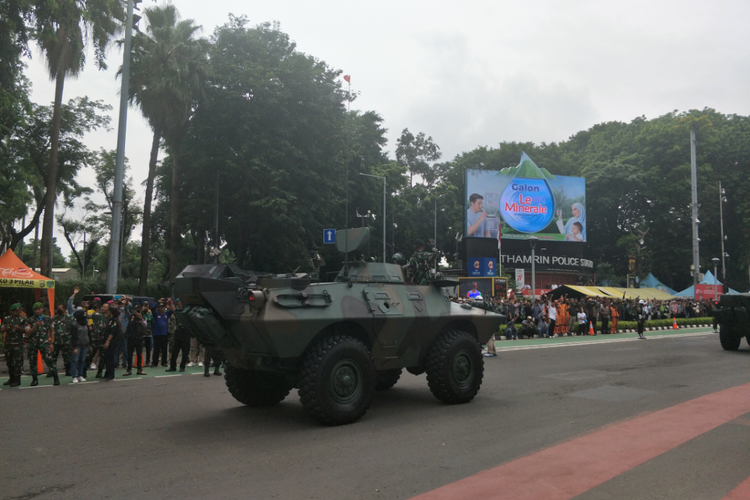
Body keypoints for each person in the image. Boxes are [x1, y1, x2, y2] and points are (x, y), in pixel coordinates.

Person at [25, 302, 59, 386]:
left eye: (39, 309)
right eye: (36, 309)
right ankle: (34, 379)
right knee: (33, 362)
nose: (37, 311)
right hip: (32, 343)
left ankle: (56, 378)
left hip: (44, 343)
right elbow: (27, 333)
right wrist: (35, 326)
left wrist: (52, 343)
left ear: (42, 309)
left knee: (49, 360)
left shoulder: (48, 319)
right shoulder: (30, 320)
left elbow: (52, 331)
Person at [2, 303, 27, 387]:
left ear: (20, 310)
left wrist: (18, 328)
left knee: (17, 362)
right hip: (8, 343)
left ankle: (17, 379)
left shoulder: (23, 319)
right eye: (13, 311)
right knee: (9, 362)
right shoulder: (6, 319)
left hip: (18, 344)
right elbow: (1, 329)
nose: (15, 312)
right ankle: (11, 378)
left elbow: (26, 331)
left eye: (17, 311)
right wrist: (7, 328)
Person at [166, 301, 191, 372]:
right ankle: (172, 366)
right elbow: (173, 310)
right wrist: (170, 303)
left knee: (185, 352)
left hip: (186, 333)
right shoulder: (179, 312)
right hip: (178, 333)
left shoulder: (188, 313)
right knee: (174, 351)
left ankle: (182, 367)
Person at [123, 309, 147, 376]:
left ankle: (139, 369)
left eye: (137, 311)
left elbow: (145, 325)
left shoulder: (143, 318)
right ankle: (129, 370)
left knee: (139, 354)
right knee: (129, 354)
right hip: (131, 338)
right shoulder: (131, 317)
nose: (136, 312)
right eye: (135, 310)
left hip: (139, 338)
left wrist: (140, 318)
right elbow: (126, 311)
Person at [51, 304, 73, 377]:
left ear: (64, 308)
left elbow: (73, 329)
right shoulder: (54, 318)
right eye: (58, 308)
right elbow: (51, 329)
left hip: (66, 341)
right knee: (53, 356)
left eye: (60, 308)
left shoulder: (70, 318)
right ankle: (52, 371)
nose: (58, 309)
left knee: (67, 357)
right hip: (56, 341)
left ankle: (68, 370)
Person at [102, 304, 123, 380]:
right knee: (107, 357)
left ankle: (111, 374)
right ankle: (107, 373)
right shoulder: (110, 320)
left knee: (110, 358)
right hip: (110, 341)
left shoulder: (114, 321)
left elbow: (112, 332)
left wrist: (108, 341)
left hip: (112, 342)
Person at [151, 299, 173, 367]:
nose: (162, 308)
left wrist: (170, 302)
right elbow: (152, 308)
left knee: (164, 349)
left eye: (163, 307)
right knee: (156, 349)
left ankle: (164, 362)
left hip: (164, 334)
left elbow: (172, 310)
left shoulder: (166, 314)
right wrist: (158, 302)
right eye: (160, 307)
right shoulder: (156, 314)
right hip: (157, 334)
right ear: (158, 308)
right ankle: (154, 363)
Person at [70, 309, 90, 383]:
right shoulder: (74, 324)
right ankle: (74, 376)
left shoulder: (86, 323)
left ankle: (80, 375)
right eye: (84, 314)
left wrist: (89, 344)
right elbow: (74, 336)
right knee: (75, 360)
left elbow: (89, 334)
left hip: (85, 345)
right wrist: (74, 347)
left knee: (82, 360)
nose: (85, 315)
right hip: (77, 345)